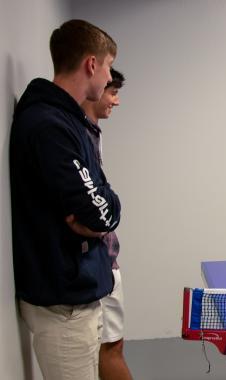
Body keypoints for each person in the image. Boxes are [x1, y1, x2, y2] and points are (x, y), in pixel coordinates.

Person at [10, 19, 121, 380]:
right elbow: (99, 211)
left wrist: (104, 208)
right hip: (64, 305)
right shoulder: (49, 125)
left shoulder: (69, 121)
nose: (108, 80)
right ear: (91, 64)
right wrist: (104, 210)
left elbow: (102, 202)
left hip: (76, 296)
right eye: (107, 68)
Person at [82, 68, 133, 380]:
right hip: (98, 263)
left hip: (106, 257)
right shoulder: (80, 135)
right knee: (110, 348)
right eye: (112, 92)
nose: (117, 101)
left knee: (113, 346)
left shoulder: (91, 132)